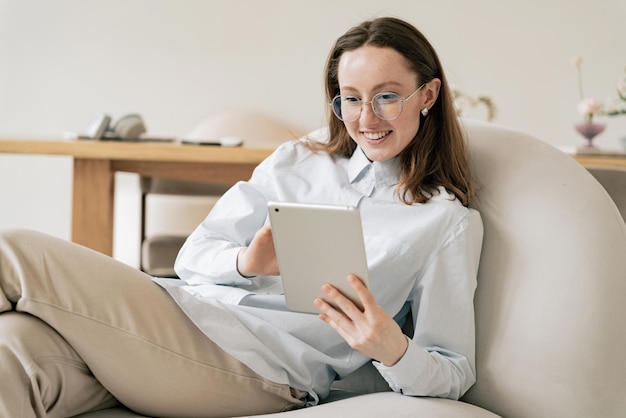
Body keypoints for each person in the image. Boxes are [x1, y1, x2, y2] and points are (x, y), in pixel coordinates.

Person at [0, 16, 483, 418]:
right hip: (186, 318)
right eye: (351, 97)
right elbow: (193, 257)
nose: (365, 118)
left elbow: (454, 370)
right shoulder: (297, 161)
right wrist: (247, 264)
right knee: (12, 351)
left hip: (258, 369)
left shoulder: (444, 222)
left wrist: (389, 345)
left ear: (428, 94)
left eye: (387, 96)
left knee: (15, 250)